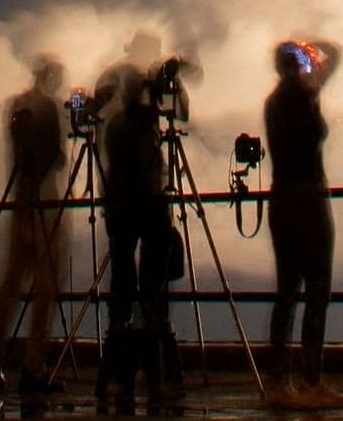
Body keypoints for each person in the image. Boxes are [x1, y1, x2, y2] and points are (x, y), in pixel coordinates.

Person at [96, 42, 188, 412]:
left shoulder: (117, 123)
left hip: (118, 211)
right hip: (148, 209)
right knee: (151, 296)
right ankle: (155, 381)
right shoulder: (143, 125)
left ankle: (116, 378)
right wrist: (174, 88)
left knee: (122, 295)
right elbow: (180, 114)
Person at [262, 38, 343, 408]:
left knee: (287, 292)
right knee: (316, 290)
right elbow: (337, 55)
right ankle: (311, 380)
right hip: (309, 198)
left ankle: (278, 382)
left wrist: (304, 50)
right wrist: (314, 44)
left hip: (281, 198)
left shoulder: (274, 101)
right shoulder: (305, 93)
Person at [0, 56, 72, 388]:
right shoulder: (49, 108)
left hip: (20, 197)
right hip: (45, 201)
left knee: (9, 284)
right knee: (46, 285)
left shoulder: (16, 105)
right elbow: (56, 157)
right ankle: (34, 366)